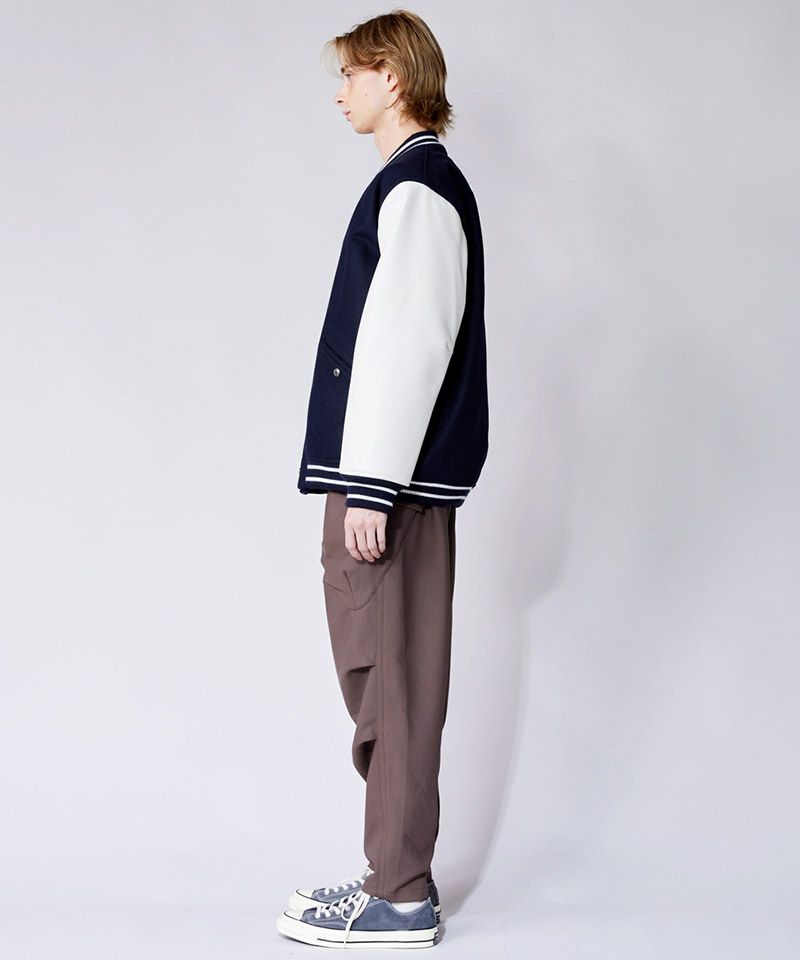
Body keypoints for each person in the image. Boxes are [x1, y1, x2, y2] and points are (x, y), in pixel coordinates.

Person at [277, 8, 489, 949]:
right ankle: (393, 877)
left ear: (391, 77)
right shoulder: (412, 186)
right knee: (382, 681)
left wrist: (370, 486)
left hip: (386, 491)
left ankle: (398, 895)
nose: (340, 93)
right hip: (384, 481)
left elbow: (409, 348)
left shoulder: (418, 190)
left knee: (390, 682)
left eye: (350, 74)